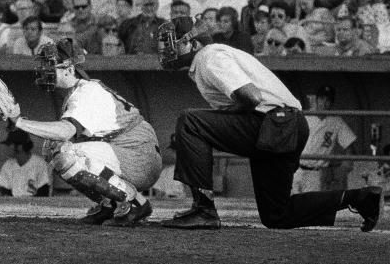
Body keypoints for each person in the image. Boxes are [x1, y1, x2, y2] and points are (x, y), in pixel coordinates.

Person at [156, 16, 383, 230]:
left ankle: (204, 209)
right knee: (277, 215)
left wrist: (227, 115)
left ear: (193, 43)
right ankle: (360, 198)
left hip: (275, 124)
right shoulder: (210, 57)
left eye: (172, 42)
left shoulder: (209, 56)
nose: (166, 49)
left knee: (190, 121)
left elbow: (251, 97)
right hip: (288, 126)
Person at [0, 38, 162, 225]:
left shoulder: (85, 92)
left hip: (139, 155)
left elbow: (65, 131)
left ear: (70, 69)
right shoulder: (80, 91)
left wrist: (20, 122)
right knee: (52, 146)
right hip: (130, 152)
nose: (44, 71)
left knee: (65, 153)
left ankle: (135, 203)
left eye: (51, 65)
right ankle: (110, 205)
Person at [293, 86, 358, 194]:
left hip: (316, 173)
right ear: (316, 100)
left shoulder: (336, 121)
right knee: (291, 204)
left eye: (328, 100)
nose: (324, 103)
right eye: (322, 99)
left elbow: (350, 147)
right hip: (297, 169)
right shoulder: (304, 116)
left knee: (311, 206)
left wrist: (344, 167)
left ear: (332, 103)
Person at [0, 129, 51, 197]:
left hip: (35, 205)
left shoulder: (39, 163)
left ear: (20, 146)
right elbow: (5, 193)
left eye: (9, 144)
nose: (7, 147)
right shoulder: (7, 165)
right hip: (13, 205)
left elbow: (44, 193)